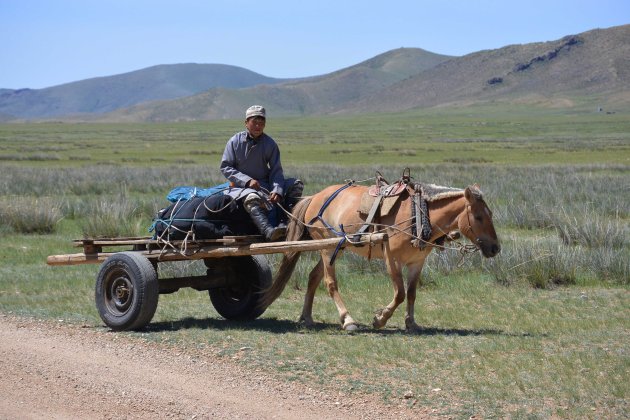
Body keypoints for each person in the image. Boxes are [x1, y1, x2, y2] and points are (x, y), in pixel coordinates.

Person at [220, 105, 303, 241]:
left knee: (296, 184)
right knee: (252, 197)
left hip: (265, 185)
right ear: (246, 123)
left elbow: (276, 170)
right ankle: (268, 231)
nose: (258, 126)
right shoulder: (234, 141)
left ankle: (285, 222)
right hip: (241, 187)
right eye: (254, 122)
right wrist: (247, 180)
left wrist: (277, 190)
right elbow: (225, 167)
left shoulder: (270, 144)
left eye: (261, 123)